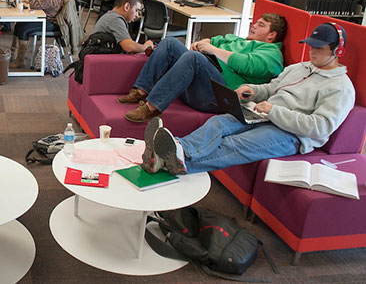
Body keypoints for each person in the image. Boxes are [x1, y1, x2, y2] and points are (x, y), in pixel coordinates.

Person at [144, 23, 355, 175]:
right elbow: (273, 87)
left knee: (234, 144)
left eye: (319, 48)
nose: (312, 52)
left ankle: (168, 161)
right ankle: (177, 149)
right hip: (263, 114)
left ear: (338, 50)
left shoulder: (340, 87)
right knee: (220, 122)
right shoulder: (300, 68)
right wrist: (252, 90)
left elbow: (320, 127)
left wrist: (274, 111)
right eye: (311, 46)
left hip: (292, 133)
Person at [119, 13, 288, 122]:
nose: (254, 25)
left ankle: (152, 107)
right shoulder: (238, 40)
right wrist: (203, 43)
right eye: (256, 22)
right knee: (170, 43)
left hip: (216, 98)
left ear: (272, 35)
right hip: (197, 84)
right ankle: (141, 90)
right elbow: (213, 40)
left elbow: (246, 64)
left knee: (194, 58)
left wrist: (212, 50)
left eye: (261, 25)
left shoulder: (271, 52)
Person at [10, 0, 64, 68]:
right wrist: (28, 0)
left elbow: (36, 7)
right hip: (46, 19)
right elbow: (40, 5)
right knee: (19, 25)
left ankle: (20, 61)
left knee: (23, 29)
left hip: (52, 23)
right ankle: (14, 55)